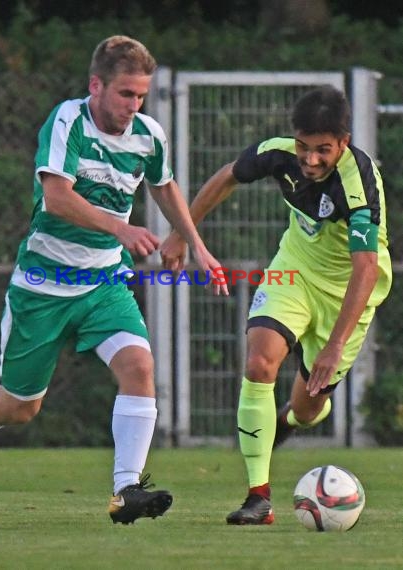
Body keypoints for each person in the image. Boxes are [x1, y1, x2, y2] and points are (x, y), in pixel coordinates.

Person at [0, 35, 227, 525]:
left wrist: (195, 243)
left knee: (139, 366)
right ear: (97, 85)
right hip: (43, 285)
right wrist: (123, 227)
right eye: (125, 94)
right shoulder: (68, 121)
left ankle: (125, 490)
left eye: (141, 96)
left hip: (104, 282)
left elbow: (164, 184)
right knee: (21, 406)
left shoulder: (148, 135)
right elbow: (57, 198)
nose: (134, 105)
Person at [160, 85, 392, 525]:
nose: (310, 159)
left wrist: (334, 346)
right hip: (294, 271)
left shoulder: (357, 181)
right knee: (259, 362)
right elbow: (228, 175)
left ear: (343, 142)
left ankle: (290, 418)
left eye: (323, 150)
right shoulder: (279, 154)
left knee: (307, 409)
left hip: (348, 291)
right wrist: (180, 231)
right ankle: (258, 499)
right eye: (304, 147)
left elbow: (363, 270)